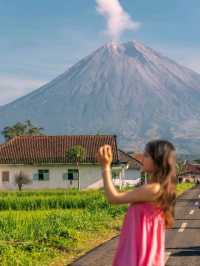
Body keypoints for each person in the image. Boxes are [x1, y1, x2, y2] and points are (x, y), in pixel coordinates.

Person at [96, 139, 177, 266]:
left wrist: (105, 167)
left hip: (139, 257)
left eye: (146, 155)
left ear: (157, 161)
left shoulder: (153, 189)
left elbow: (114, 198)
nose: (142, 158)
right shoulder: (156, 188)